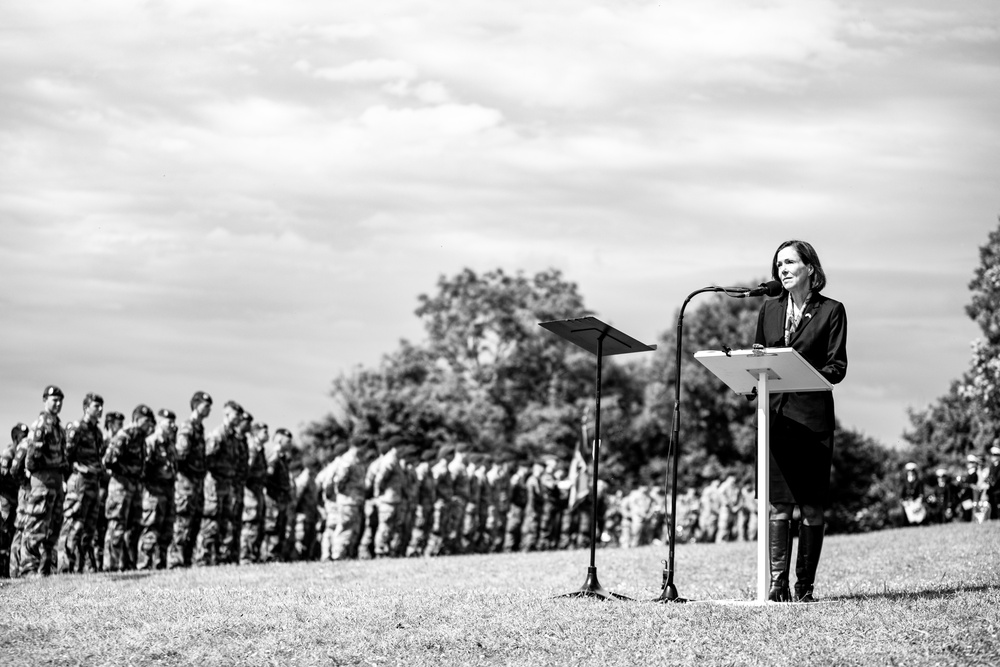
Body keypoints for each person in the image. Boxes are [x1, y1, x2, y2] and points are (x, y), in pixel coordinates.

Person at [755, 239, 847, 602]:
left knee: (810, 505)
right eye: (779, 264)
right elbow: (759, 356)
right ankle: (777, 588)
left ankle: (804, 587)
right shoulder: (769, 308)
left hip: (811, 420)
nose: (783, 269)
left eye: (790, 262)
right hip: (775, 417)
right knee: (778, 504)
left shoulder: (831, 311)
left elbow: (837, 366)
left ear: (811, 267)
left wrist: (800, 371)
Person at [20, 385, 69, 576]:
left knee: (53, 527)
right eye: (54, 400)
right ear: (45, 400)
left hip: (56, 480)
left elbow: (63, 458)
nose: (57, 404)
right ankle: (28, 570)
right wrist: (38, 477)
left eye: (60, 400)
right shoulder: (41, 425)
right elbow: (31, 457)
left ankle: (45, 570)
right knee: (36, 526)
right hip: (42, 480)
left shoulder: (59, 427)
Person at [58, 392, 106, 574]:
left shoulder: (97, 432)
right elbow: (66, 456)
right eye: (96, 406)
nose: (100, 409)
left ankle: (81, 567)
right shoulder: (77, 428)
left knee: (89, 527)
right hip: (79, 481)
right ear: (86, 407)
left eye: (101, 406)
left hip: (94, 482)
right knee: (73, 524)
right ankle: (64, 567)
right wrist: (67, 480)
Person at [103, 404, 155, 572]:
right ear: (137, 419)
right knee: (116, 526)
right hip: (120, 487)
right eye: (146, 421)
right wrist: (128, 471)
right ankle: (110, 566)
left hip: (135, 488)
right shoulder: (124, 435)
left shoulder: (141, 439)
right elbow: (108, 460)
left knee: (133, 528)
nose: (149, 425)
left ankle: (128, 564)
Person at [167, 391, 211, 569]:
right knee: (182, 522)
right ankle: (175, 561)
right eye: (205, 405)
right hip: (186, 483)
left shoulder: (199, 428)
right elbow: (180, 456)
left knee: (194, 522)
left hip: (197, 483)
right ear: (196, 405)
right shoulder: (187, 427)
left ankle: (186, 561)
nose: (208, 409)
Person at [138, 409, 178, 570]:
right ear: (160, 422)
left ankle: (160, 563)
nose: (173, 425)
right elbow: (144, 468)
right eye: (169, 422)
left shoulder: (169, 444)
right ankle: (144, 564)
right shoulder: (151, 442)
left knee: (166, 530)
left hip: (168, 491)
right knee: (151, 529)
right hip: (154, 492)